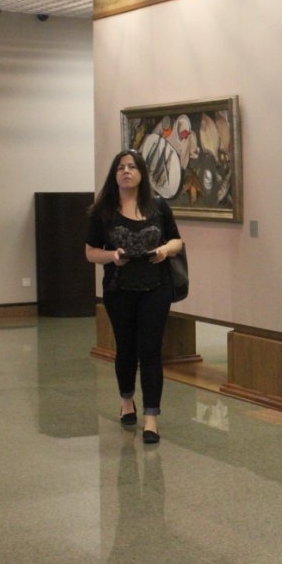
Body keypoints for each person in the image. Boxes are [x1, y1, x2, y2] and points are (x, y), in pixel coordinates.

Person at [85, 149, 183, 443]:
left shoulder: (158, 206)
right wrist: (111, 256)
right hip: (119, 289)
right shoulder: (102, 210)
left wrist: (165, 250)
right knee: (126, 349)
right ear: (114, 175)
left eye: (132, 167)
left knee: (151, 350)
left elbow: (177, 241)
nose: (126, 171)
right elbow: (90, 252)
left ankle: (151, 418)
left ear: (142, 173)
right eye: (120, 167)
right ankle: (127, 400)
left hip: (156, 287)